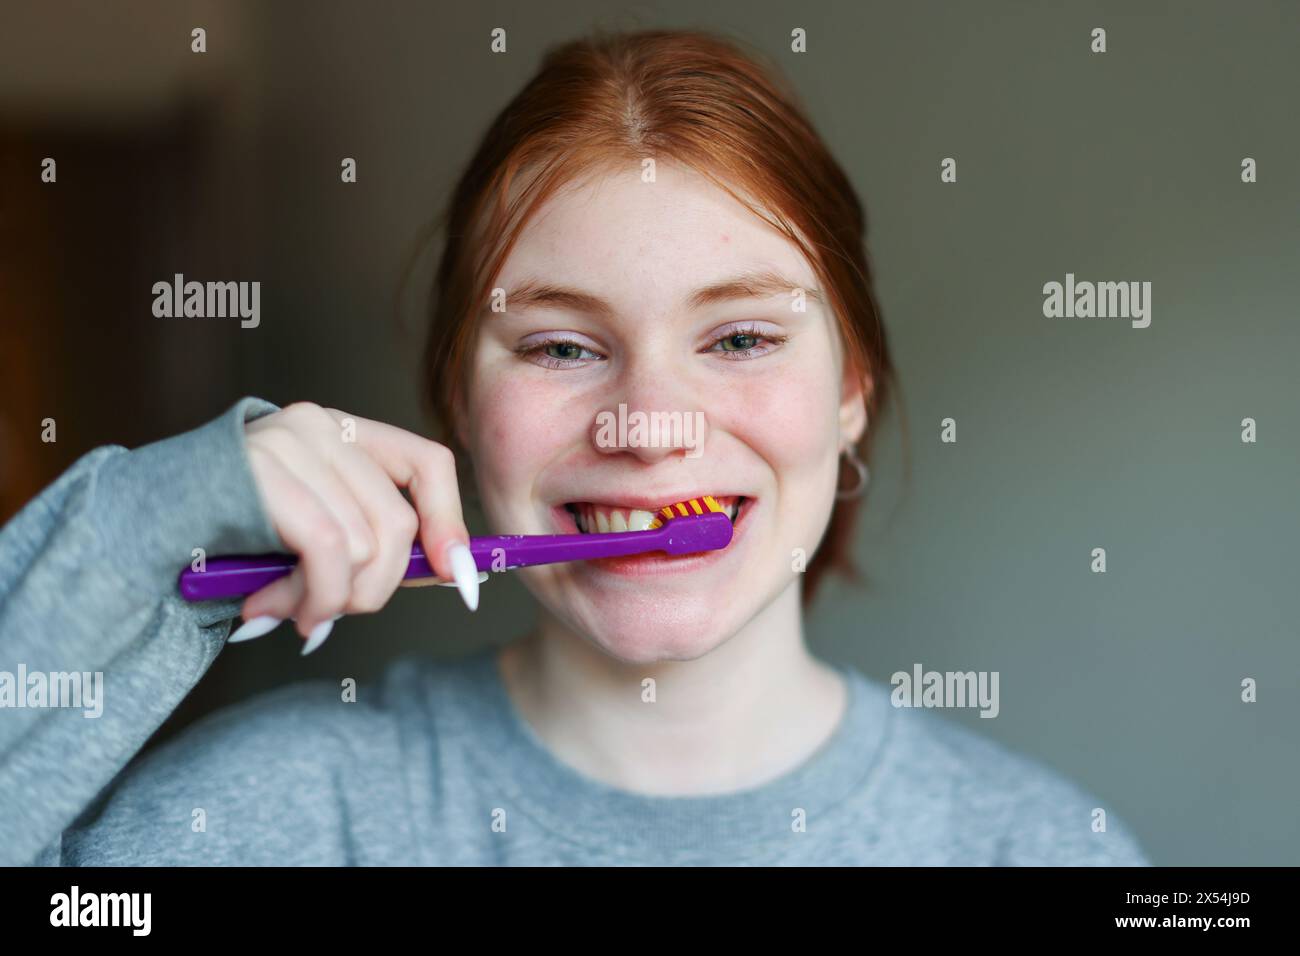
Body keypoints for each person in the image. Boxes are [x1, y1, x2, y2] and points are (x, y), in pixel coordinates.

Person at [0, 29, 1148, 866]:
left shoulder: (1046, 850)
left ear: (851, 389)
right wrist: (133, 530)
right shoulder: (256, 818)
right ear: (456, 399)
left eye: (740, 336)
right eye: (558, 347)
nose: (649, 424)